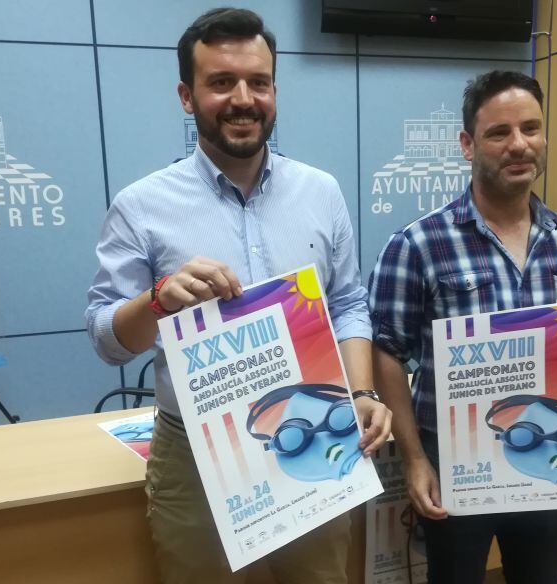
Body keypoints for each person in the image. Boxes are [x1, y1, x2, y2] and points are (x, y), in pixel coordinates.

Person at [86, 8, 391, 584]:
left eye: (259, 81)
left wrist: (362, 390)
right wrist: (156, 302)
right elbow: (108, 339)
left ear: (275, 89)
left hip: (318, 428)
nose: (243, 98)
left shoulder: (320, 192)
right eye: (221, 82)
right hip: (199, 453)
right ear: (187, 95)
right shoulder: (141, 205)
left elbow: (347, 303)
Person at [368, 70, 557, 584]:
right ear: (467, 144)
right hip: (459, 463)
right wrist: (415, 460)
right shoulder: (418, 243)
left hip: (553, 452)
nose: (519, 145)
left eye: (531, 128)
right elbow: (386, 351)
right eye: (499, 132)